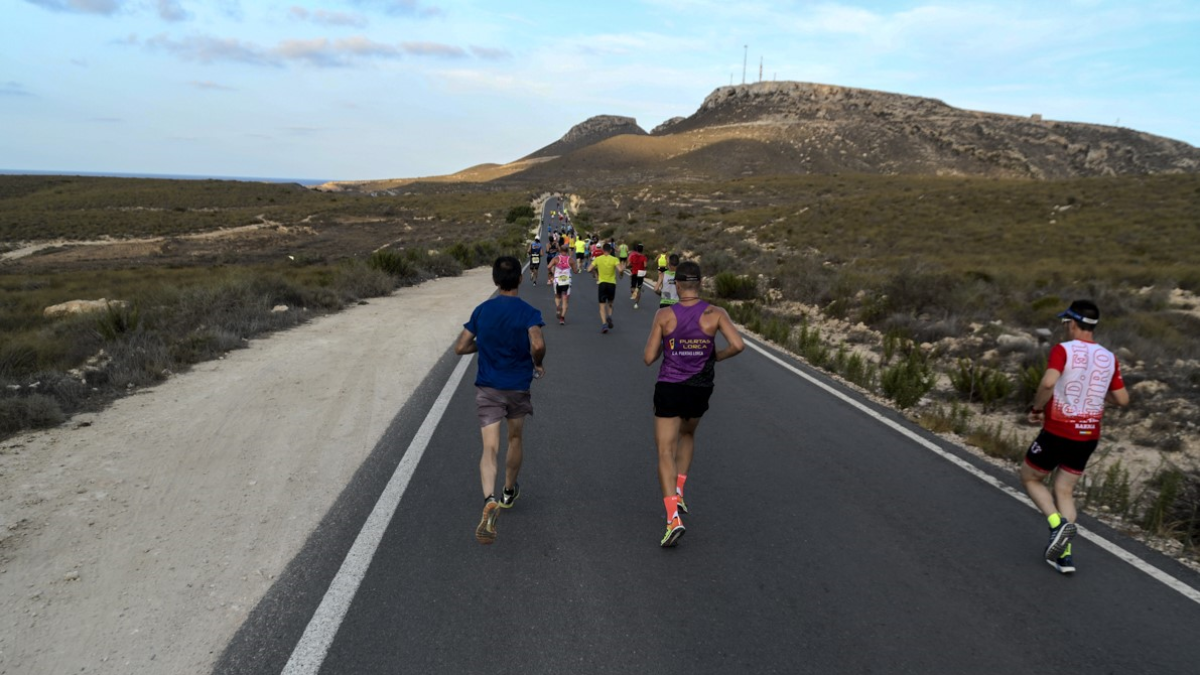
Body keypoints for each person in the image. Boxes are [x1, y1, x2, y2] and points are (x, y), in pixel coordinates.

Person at [1021, 300, 1129, 574]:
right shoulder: (1108, 357)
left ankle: (1057, 525)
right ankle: (1064, 556)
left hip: (1059, 430)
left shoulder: (1063, 350)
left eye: (1066, 323)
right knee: (1065, 490)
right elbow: (1122, 399)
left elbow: (1048, 382)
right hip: (1088, 434)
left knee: (1031, 477)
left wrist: (1036, 409)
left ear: (1072, 322)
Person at [643, 261, 745, 547]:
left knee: (665, 450)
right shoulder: (716, 313)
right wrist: (714, 356)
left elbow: (649, 357)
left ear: (676, 284)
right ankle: (680, 489)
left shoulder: (664, 314)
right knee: (688, 433)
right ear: (700, 283)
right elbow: (738, 345)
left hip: (670, 385)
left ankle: (672, 518)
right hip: (701, 387)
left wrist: (668, 344)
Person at [454, 256, 546, 545]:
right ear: (519, 279)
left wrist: (484, 344)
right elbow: (538, 343)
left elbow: (460, 347)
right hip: (517, 385)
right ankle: (508, 492)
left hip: (489, 387)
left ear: (494, 280)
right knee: (515, 439)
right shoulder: (529, 312)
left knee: (489, 447)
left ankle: (489, 498)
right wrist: (538, 362)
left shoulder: (482, 310)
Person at [587, 242, 625, 333]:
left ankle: (604, 325)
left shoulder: (598, 259)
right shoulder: (614, 259)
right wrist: (621, 274)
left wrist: (595, 273)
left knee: (602, 305)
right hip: (612, 283)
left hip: (602, 283)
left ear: (603, 250)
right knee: (610, 302)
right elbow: (620, 270)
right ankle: (610, 316)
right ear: (611, 250)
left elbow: (588, 269)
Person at [547, 241, 573, 325]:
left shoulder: (556, 259)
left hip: (557, 280)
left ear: (560, 251)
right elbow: (576, 271)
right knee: (565, 301)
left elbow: (548, 266)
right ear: (567, 251)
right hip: (567, 281)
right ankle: (562, 318)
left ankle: (558, 306)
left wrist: (551, 272)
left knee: (557, 296)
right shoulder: (571, 260)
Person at [627, 243, 648, 309]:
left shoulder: (633, 256)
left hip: (634, 273)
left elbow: (628, 264)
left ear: (637, 249)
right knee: (639, 288)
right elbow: (645, 266)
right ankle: (636, 303)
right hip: (641, 273)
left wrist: (631, 265)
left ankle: (634, 293)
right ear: (642, 250)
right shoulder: (644, 257)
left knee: (632, 288)